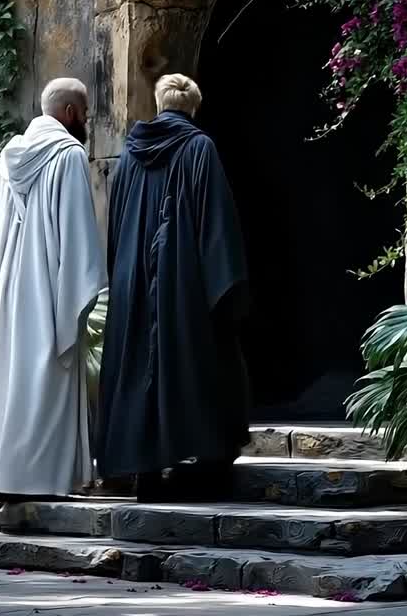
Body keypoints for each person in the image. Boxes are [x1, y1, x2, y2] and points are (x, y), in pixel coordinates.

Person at [95, 73, 250, 502]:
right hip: (183, 284)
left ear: (159, 105)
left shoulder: (129, 155)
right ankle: (202, 467)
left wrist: (123, 274)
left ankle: (144, 468)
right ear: (194, 108)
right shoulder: (199, 148)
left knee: (137, 366)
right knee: (195, 365)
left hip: (133, 282)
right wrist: (224, 288)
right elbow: (215, 224)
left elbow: (116, 226)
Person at [0, 77, 108, 503]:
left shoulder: (5, 163)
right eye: (83, 114)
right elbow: (78, 235)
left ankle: (8, 478)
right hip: (48, 292)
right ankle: (45, 481)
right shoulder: (68, 155)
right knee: (48, 380)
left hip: (9, 292)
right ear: (68, 113)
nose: (85, 122)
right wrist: (78, 292)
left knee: (14, 384)